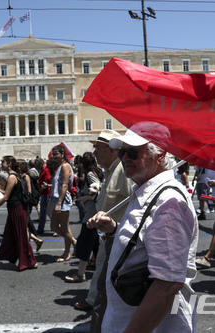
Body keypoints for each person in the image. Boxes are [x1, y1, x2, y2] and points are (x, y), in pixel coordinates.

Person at [87, 129, 198, 333]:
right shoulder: (145, 189)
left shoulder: (168, 204)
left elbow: (168, 284)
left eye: (134, 152)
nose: (125, 158)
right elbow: (143, 243)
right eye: (122, 153)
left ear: (161, 154)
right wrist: (114, 229)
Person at [73, 130, 133, 333]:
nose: (94, 152)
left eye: (98, 148)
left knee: (105, 286)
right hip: (107, 235)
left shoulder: (123, 171)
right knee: (102, 280)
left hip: (118, 238)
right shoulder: (109, 171)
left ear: (113, 150)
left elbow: (136, 203)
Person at [0, 156, 38, 271]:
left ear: (9, 163)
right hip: (16, 209)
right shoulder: (15, 176)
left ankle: (30, 261)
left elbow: (6, 197)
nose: (1, 164)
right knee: (10, 236)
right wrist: (1, 190)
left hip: (17, 210)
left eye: (3, 162)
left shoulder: (12, 177)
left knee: (20, 236)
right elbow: (12, 194)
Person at [65, 152, 103, 283]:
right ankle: (99, 268)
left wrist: (86, 197)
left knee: (84, 243)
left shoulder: (91, 174)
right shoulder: (96, 171)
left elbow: (98, 189)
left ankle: (81, 274)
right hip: (95, 213)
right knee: (96, 244)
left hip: (91, 215)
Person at [50, 144, 77, 262]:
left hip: (63, 201)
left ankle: (67, 253)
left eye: (56, 154)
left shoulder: (65, 167)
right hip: (57, 199)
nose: (54, 156)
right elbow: (59, 184)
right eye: (53, 154)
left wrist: (60, 203)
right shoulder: (59, 166)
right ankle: (74, 241)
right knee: (54, 226)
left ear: (62, 154)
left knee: (65, 229)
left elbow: (65, 185)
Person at [36, 158, 51, 235]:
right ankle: (40, 228)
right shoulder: (42, 170)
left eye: (38, 166)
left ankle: (41, 229)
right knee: (44, 212)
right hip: (44, 193)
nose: (37, 168)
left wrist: (39, 192)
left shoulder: (46, 170)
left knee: (45, 212)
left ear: (42, 164)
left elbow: (46, 182)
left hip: (46, 194)